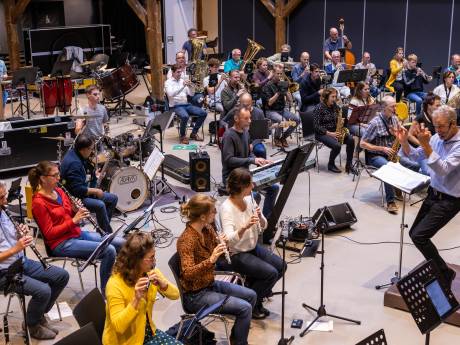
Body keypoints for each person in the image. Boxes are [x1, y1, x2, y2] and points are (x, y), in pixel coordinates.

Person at [30, 161, 124, 294]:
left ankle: (122, 282)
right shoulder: (38, 203)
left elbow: (69, 214)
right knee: (109, 250)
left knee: (121, 242)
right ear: (43, 178)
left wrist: (75, 210)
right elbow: (49, 233)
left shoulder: (60, 191)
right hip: (61, 243)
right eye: (55, 175)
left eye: (58, 174)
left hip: (76, 234)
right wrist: (74, 220)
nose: (59, 178)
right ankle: (107, 292)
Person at [177, 194, 257, 345]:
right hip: (195, 295)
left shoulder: (207, 229)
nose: (215, 213)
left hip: (209, 284)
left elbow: (219, 253)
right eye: (213, 211)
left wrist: (224, 244)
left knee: (251, 295)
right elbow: (187, 274)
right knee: (245, 308)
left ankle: (237, 337)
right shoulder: (186, 240)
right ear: (202, 216)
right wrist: (211, 259)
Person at [396, 105, 460, 288]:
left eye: (441, 127)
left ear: (453, 124)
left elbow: (443, 169)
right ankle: (440, 270)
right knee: (414, 233)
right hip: (433, 193)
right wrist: (404, 142)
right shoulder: (436, 138)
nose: (437, 131)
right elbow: (416, 157)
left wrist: (425, 143)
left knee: (420, 236)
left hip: (450, 200)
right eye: (435, 126)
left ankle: (445, 273)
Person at [0, 181, 69, 340]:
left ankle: (37, 316)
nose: (5, 201)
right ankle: (32, 325)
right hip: (4, 273)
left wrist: (19, 234)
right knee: (43, 291)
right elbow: (11, 248)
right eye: (1, 197)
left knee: (61, 276)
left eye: (4, 196)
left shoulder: (3, 211)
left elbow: (9, 240)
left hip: (20, 261)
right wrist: (15, 248)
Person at [220, 168, 286, 319]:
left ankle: (254, 291)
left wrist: (260, 219)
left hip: (252, 247)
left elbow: (264, 225)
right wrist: (245, 226)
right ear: (242, 187)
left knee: (282, 266)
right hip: (237, 253)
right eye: (250, 184)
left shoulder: (249, 199)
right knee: (271, 274)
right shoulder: (226, 208)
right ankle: (252, 303)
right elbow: (229, 239)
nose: (253, 186)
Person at [103, 232, 181, 345]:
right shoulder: (115, 285)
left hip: (146, 332)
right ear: (136, 260)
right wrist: (136, 299)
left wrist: (163, 285)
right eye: (151, 258)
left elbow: (176, 295)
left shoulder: (150, 272)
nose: (154, 261)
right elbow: (119, 327)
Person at [360, 96, 420, 213]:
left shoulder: (394, 119)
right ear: (383, 108)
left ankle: (398, 186)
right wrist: (382, 148)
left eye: (395, 106)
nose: (395, 109)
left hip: (392, 154)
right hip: (375, 156)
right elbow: (362, 144)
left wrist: (403, 134)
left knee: (415, 166)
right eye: (392, 107)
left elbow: (401, 137)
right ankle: (390, 201)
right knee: (389, 169)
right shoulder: (375, 123)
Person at [221, 106, 279, 219]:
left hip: (245, 175)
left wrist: (260, 160)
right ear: (236, 119)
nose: (250, 121)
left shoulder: (246, 133)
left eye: (250, 118)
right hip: (232, 178)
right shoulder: (228, 136)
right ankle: (249, 224)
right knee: (255, 195)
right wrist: (251, 160)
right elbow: (229, 160)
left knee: (274, 188)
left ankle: (266, 223)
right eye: (246, 118)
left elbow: (248, 153)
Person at [60, 134, 118, 234]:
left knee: (113, 198)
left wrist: (94, 175)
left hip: (82, 191)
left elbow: (84, 173)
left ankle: (102, 230)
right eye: (91, 149)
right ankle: (106, 234)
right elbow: (76, 190)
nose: (92, 151)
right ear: (83, 149)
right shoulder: (74, 163)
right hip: (74, 198)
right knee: (100, 205)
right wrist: (95, 190)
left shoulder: (75, 153)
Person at [313, 88, 355, 174]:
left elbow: (339, 115)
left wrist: (343, 121)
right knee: (337, 145)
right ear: (326, 97)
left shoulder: (334, 106)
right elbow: (316, 126)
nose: (334, 99)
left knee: (351, 139)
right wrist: (329, 133)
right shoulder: (319, 108)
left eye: (335, 96)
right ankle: (331, 164)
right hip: (322, 133)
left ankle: (349, 164)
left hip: (334, 131)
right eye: (332, 97)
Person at [164, 64, 207, 144]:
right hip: (175, 106)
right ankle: (183, 136)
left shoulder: (182, 81)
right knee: (185, 116)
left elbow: (191, 94)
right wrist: (182, 86)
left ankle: (194, 133)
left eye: (180, 72)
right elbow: (170, 94)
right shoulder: (168, 83)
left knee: (203, 113)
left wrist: (191, 87)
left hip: (186, 104)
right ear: (173, 72)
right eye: (178, 72)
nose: (180, 74)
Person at [262, 68, 300, 148]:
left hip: (282, 110)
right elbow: (269, 102)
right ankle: (276, 138)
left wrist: (286, 91)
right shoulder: (267, 86)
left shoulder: (282, 84)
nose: (279, 76)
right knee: (282, 121)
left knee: (297, 120)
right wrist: (279, 92)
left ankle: (283, 137)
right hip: (271, 111)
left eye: (281, 74)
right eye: (277, 74)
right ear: (273, 73)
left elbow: (290, 101)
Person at [222, 93, 267, 158]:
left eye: (247, 105)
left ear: (252, 103)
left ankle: (262, 167)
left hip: (254, 140)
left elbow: (262, 134)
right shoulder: (236, 111)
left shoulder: (259, 112)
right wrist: (226, 127)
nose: (245, 107)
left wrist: (252, 144)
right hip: (239, 140)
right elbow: (222, 121)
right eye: (243, 105)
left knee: (261, 151)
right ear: (240, 103)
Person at [408, 93, 441, 175]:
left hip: (433, 149)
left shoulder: (438, 117)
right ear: (429, 106)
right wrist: (422, 144)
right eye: (437, 105)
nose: (439, 108)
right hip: (421, 150)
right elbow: (409, 135)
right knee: (428, 172)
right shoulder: (420, 118)